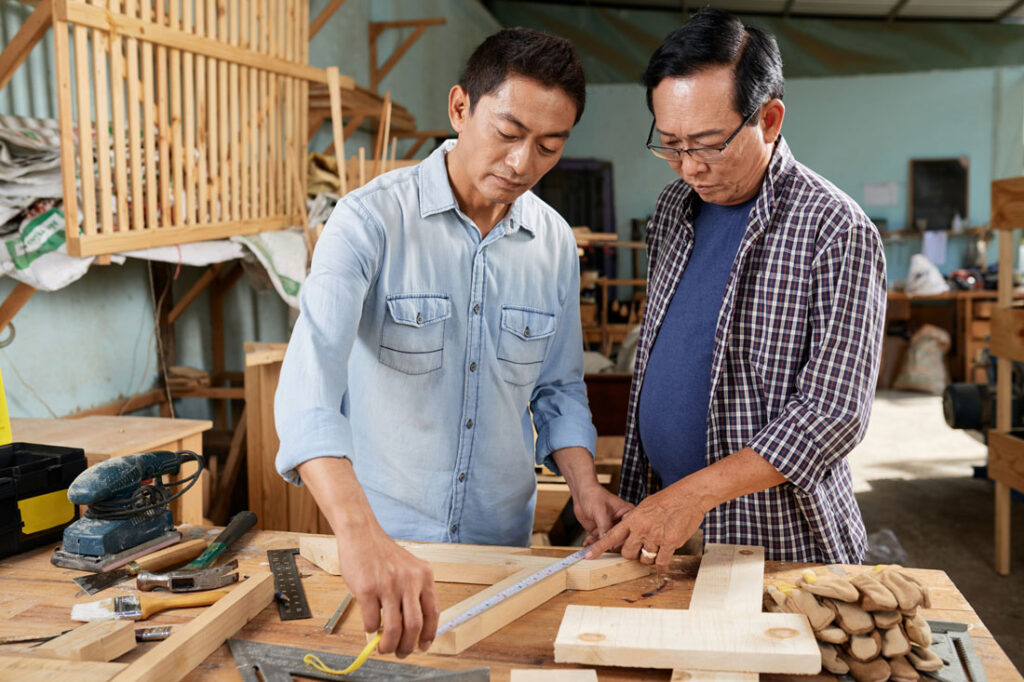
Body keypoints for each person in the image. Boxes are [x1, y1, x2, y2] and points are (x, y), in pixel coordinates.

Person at [274, 28, 631, 659]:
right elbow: (307, 395)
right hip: (382, 546)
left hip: (500, 553)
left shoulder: (552, 244)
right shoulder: (367, 222)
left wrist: (583, 485)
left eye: (549, 146)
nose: (524, 164)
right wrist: (360, 537)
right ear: (460, 108)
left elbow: (557, 387)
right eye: (509, 133)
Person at [586, 9, 886, 568]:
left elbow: (834, 412)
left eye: (706, 144)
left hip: (772, 537)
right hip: (659, 517)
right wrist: (662, 497)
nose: (688, 168)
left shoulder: (834, 229)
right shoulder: (673, 210)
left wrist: (694, 494)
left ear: (768, 119)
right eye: (670, 144)